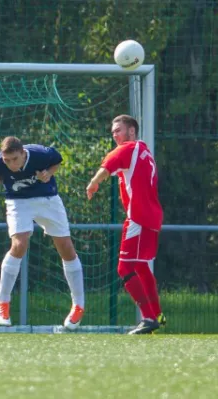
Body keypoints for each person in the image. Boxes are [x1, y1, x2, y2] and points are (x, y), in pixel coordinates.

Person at [0, 136, 85, 329]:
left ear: (23, 153)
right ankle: (2, 302)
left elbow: (57, 161)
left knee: (66, 248)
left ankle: (78, 304)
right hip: (18, 202)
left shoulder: (40, 154)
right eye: (7, 160)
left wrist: (48, 173)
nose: (11, 164)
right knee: (19, 244)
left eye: (15, 159)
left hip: (48, 199)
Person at [86, 114, 166, 334]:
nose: (115, 135)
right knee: (140, 266)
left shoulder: (129, 148)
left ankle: (148, 318)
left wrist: (93, 183)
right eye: (113, 131)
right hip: (152, 217)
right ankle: (157, 314)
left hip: (138, 218)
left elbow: (107, 165)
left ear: (131, 131)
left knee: (124, 268)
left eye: (118, 130)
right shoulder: (145, 152)